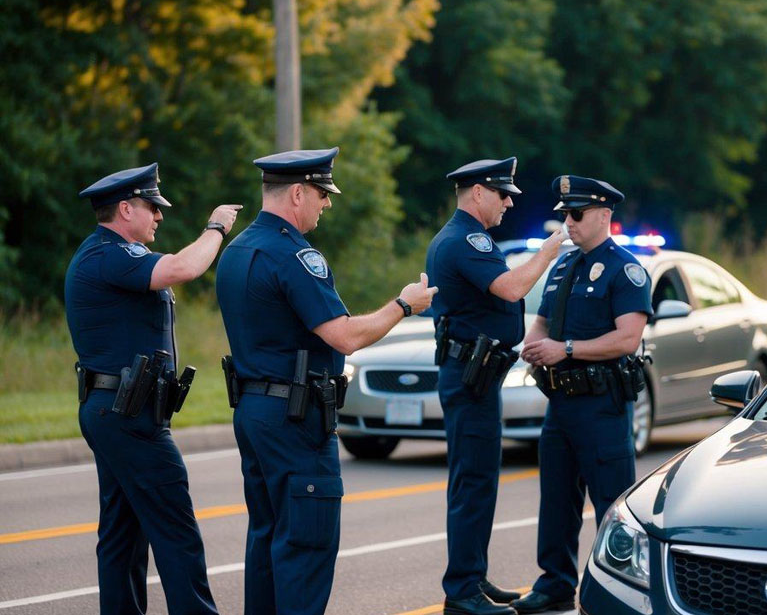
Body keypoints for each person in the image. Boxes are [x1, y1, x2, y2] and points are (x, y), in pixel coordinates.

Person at [215, 147, 436, 615]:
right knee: (304, 550)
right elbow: (346, 336)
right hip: (295, 419)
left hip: (255, 412)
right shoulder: (295, 255)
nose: (327, 203)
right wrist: (403, 304)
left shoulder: (236, 250)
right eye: (321, 193)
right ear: (297, 193)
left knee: (267, 542)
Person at [65, 162, 241, 615]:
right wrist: (216, 227)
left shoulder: (109, 254)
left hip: (120, 410)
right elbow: (185, 267)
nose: (159, 216)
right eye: (151, 207)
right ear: (125, 209)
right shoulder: (110, 254)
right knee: (176, 531)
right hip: (128, 416)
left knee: (123, 534)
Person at [427, 157, 568, 615]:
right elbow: (509, 289)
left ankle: (473, 575)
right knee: (473, 482)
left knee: (478, 480)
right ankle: (462, 590)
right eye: (502, 193)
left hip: (477, 374)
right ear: (478, 193)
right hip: (470, 376)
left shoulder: (468, 237)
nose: (509, 202)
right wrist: (549, 250)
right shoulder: (465, 238)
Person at [511, 175, 652, 613]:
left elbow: (628, 338)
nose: (568, 223)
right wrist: (531, 349)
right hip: (561, 404)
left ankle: (619, 589)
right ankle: (555, 583)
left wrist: (565, 349)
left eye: (577, 214)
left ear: (604, 215)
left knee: (612, 504)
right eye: (564, 215)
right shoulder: (563, 267)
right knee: (556, 499)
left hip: (602, 405)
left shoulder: (625, 268)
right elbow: (543, 324)